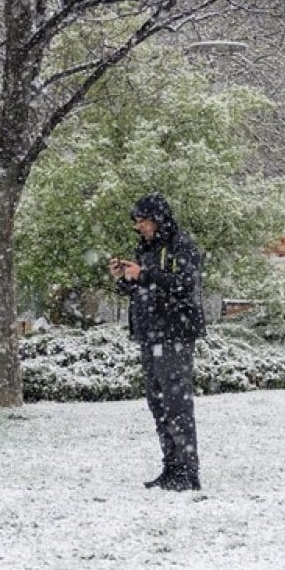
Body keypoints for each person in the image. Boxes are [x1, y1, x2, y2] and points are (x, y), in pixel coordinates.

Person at [109, 193, 206, 492]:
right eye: (137, 222)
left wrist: (146, 275)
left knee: (177, 404)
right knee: (158, 404)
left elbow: (185, 285)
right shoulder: (146, 250)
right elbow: (145, 289)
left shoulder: (183, 247)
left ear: (158, 219)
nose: (139, 227)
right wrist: (126, 279)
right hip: (150, 336)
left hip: (174, 335)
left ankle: (188, 472)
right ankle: (171, 466)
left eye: (143, 221)